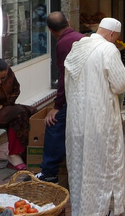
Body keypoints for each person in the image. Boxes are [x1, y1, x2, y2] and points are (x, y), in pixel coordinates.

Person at [64, 17, 125, 216]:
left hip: (76, 118)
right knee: (102, 164)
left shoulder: (77, 48)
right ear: (111, 34)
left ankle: (81, 209)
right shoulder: (108, 50)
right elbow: (119, 84)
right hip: (100, 118)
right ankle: (98, 210)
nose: (115, 41)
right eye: (116, 38)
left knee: (79, 166)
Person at [36, 11, 85, 183]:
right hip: (88, 94)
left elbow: (64, 77)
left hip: (77, 97)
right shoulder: (81, 37)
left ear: (49, 30)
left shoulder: (64, 43)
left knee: (54, 124)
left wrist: (57, 107)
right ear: (68, 21)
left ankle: (49, 173)